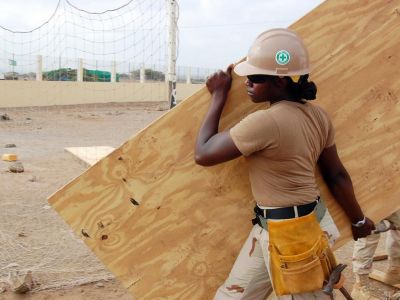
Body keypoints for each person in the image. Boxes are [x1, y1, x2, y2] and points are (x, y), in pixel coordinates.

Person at [194, 28, 375, 299]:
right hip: (278, 229)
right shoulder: (318, 116)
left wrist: (219, 96)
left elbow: (204, 153)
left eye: (255, 78)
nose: (247, 84)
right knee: (231, 296)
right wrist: (358, 219)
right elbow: (336, 174)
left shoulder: (264, 122)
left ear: (280, 82)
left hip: (296, 238)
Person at [351, 210, 400, 300]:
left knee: (398, 223)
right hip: (372, 200)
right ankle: (361, 287)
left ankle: (395, 270)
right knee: (368, 233)